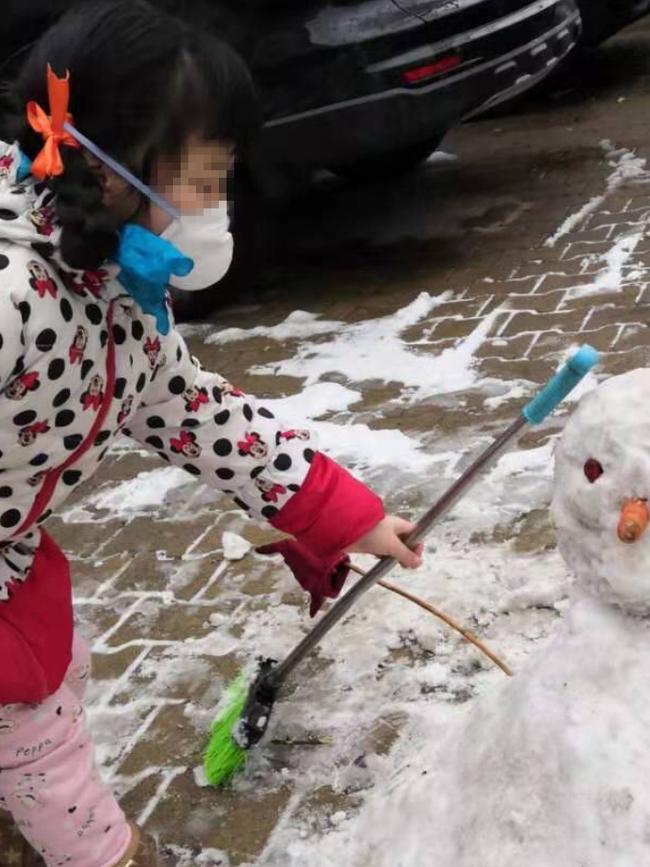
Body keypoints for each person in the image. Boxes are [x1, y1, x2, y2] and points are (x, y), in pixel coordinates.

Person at [0, 2, 424, 865]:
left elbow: (194, 410)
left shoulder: (114, 288)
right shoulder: (11, 297)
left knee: (50, 685)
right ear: (112, 169)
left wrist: (343, 515)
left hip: (19, 563)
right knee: (40, 739)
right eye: (203, 177)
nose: (213, 203)